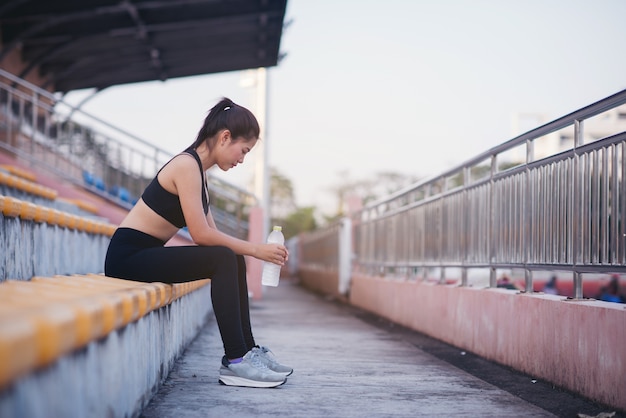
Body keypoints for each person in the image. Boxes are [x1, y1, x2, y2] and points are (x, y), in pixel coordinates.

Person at [104, 97, 292, 388]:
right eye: (243, 151)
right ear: (224, 137)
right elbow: (201, 235)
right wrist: (257, 250)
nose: (241, 159)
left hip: (146, 253)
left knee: (229, 256)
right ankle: (236, 360)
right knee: (224, 258)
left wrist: (251, 253)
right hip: (128, 257)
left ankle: (247, 352)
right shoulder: (185, 166)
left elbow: (213, 239)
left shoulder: (200, 175)